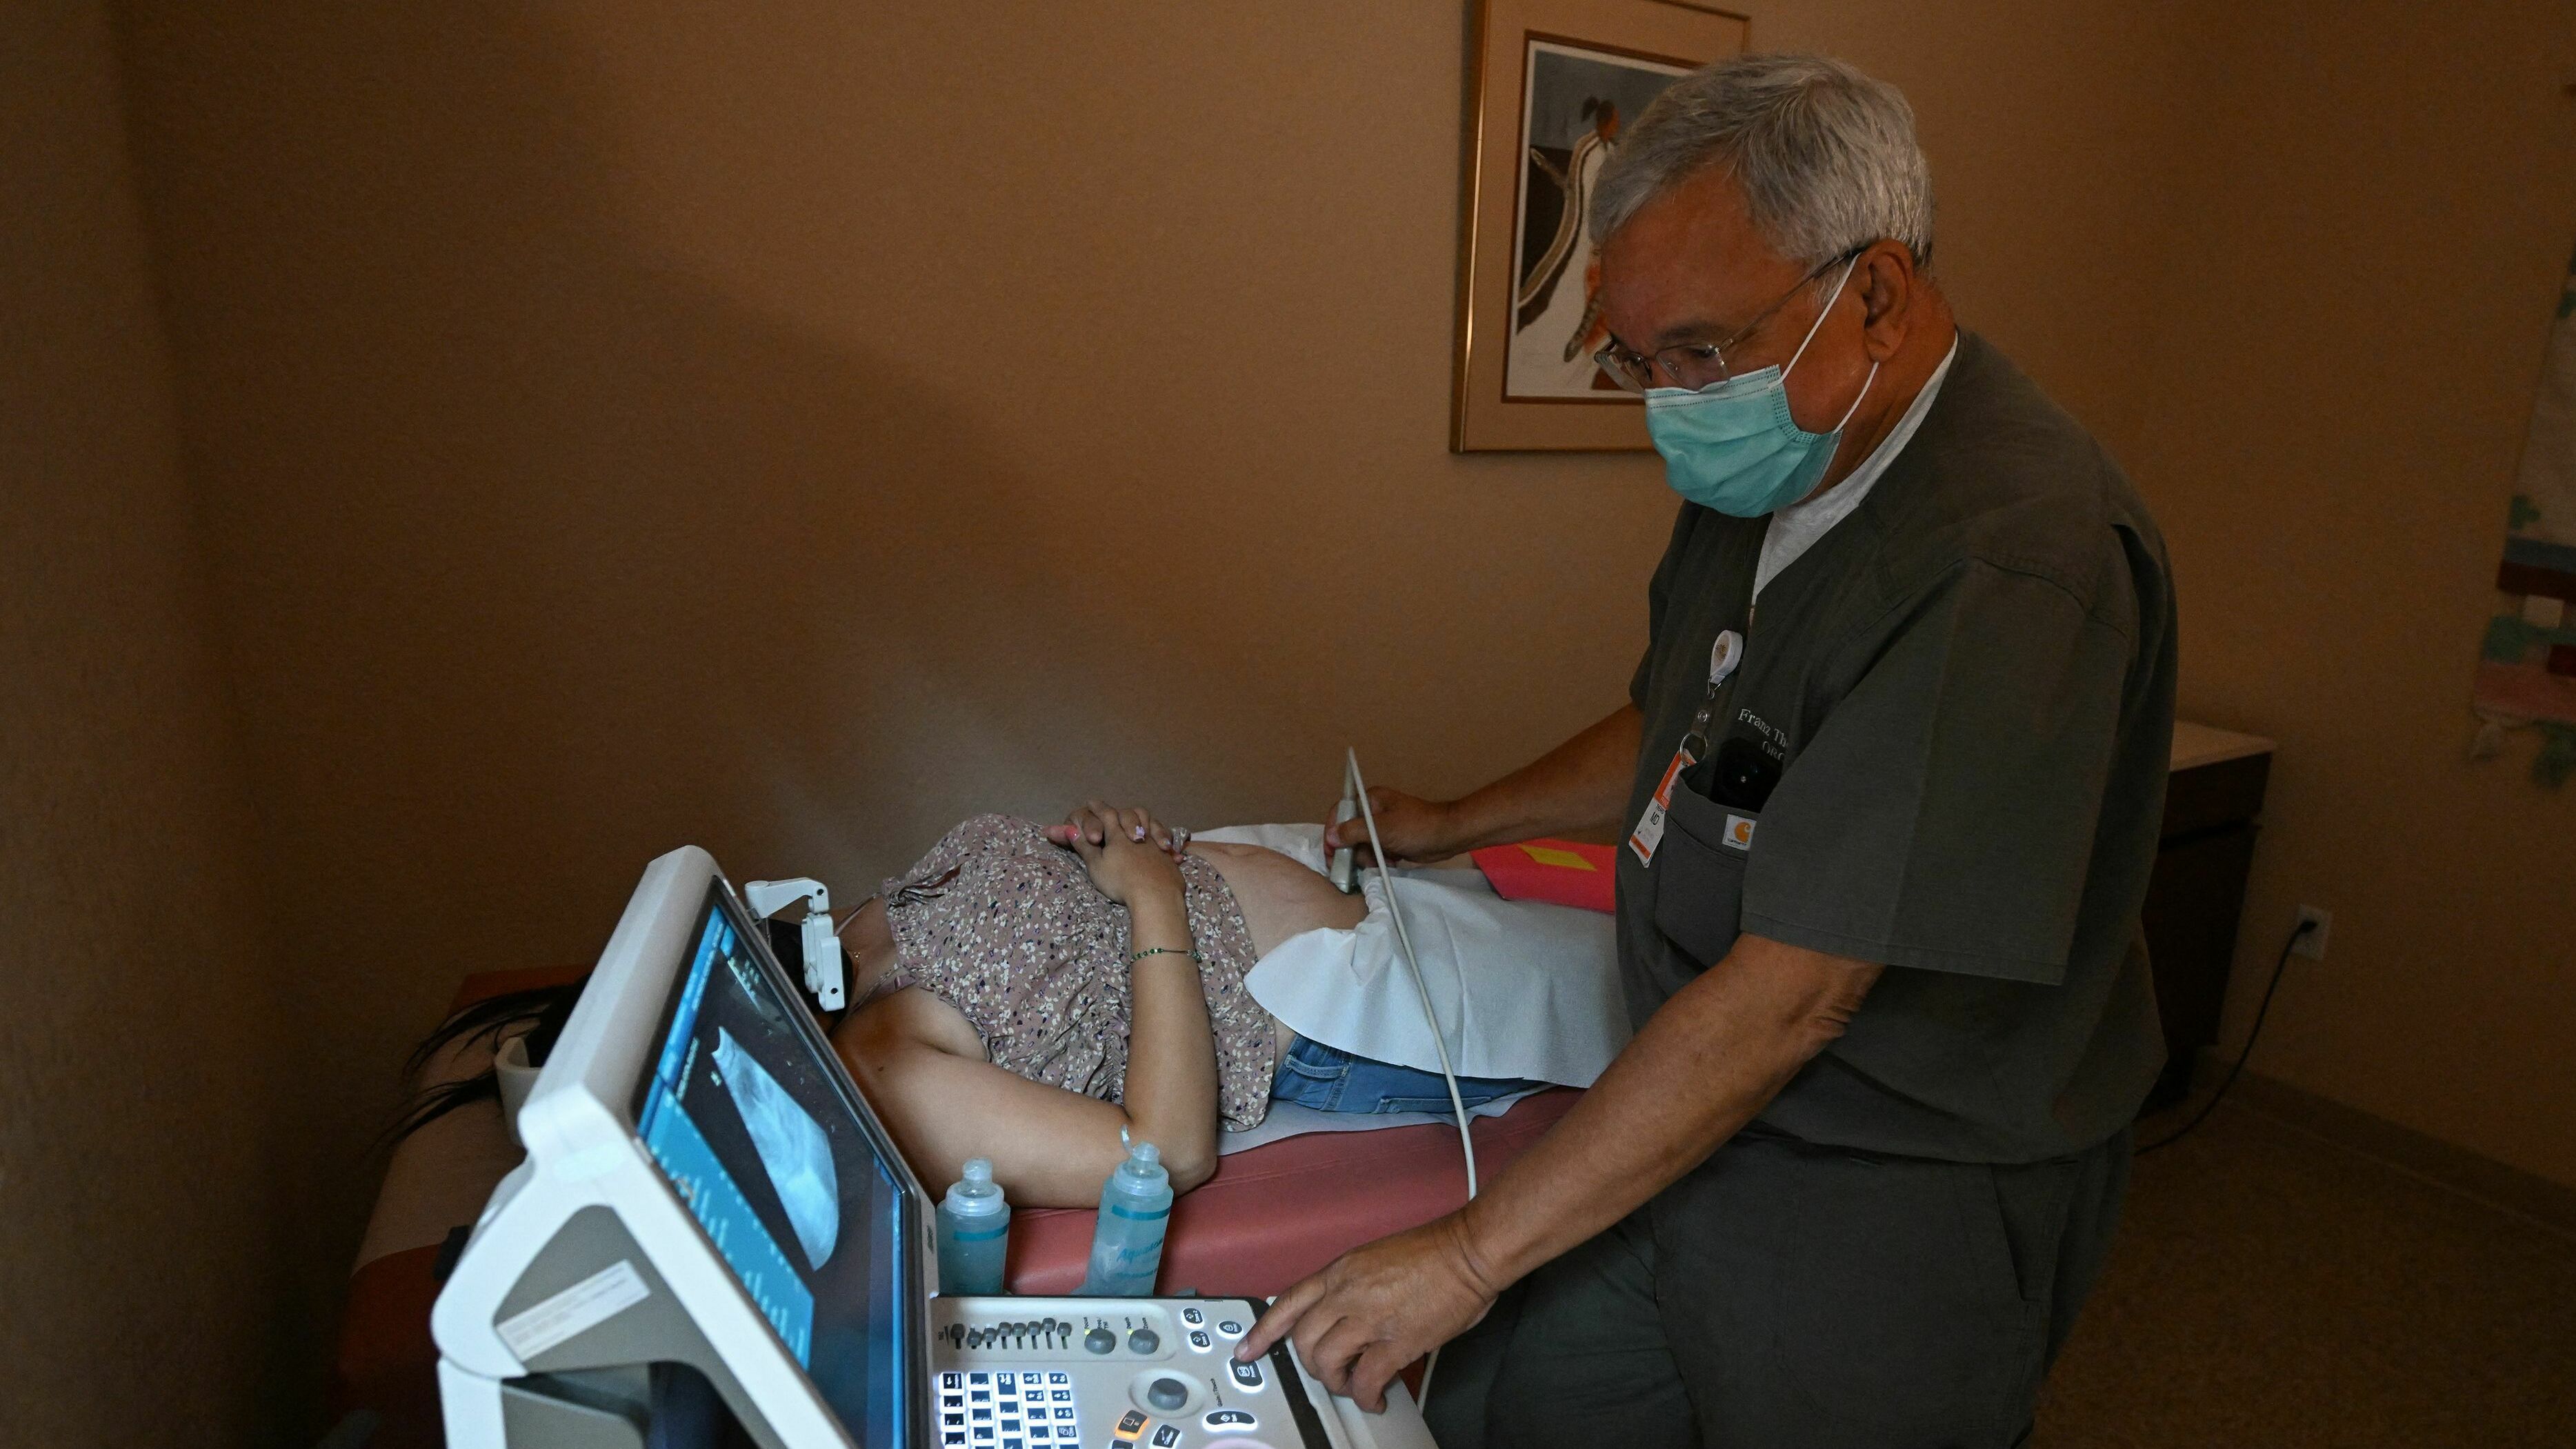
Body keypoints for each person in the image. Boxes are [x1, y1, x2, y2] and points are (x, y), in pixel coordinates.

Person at [1237, 53, 2176, 1449]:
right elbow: (1692, 727)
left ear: (1872, 290)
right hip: (1695, 1104)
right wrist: (1449, 822)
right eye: (1637, 359)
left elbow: (1796, 996)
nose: (1666, 401)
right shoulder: (1785, 458)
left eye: (1697, 353)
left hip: (1890, 1166)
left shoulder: (2004, 560)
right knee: (1522, 1401)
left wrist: (1468, 1251)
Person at [397, 803, 1540, 1208]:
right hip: (1358, 1019)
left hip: (1337, 882)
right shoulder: (893, 1075)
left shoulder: (834, 941)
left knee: (1634, 926)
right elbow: (1166, 1148)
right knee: (1642, 1002)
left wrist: (1124, 847)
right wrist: (1150, 894)